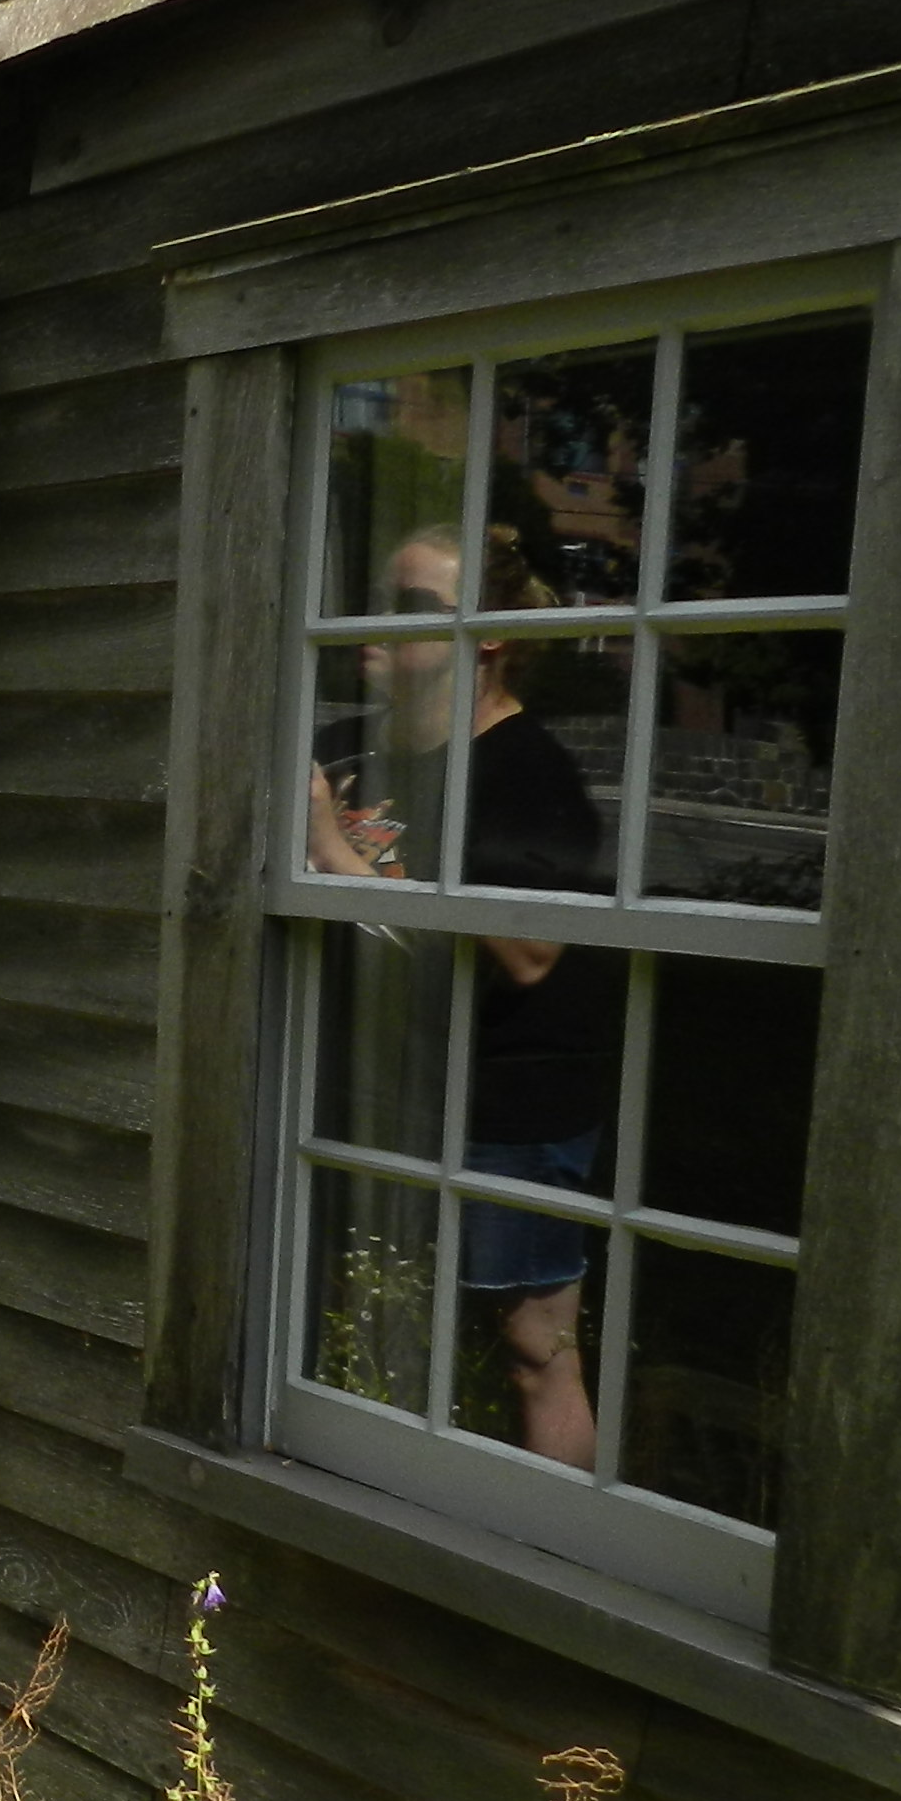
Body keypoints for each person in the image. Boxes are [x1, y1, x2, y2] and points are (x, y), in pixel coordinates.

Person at [307, 524, 622, 1467]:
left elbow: (527, 953)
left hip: (503, 1105)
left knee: (532, 1352)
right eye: (376, 599)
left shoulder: (525, 773)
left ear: (488, 635)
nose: (376, 623)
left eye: (411, 608)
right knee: (363, 1319)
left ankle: (548, 1541)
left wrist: (328, 847)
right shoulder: (343, 750)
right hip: (368, 1088)